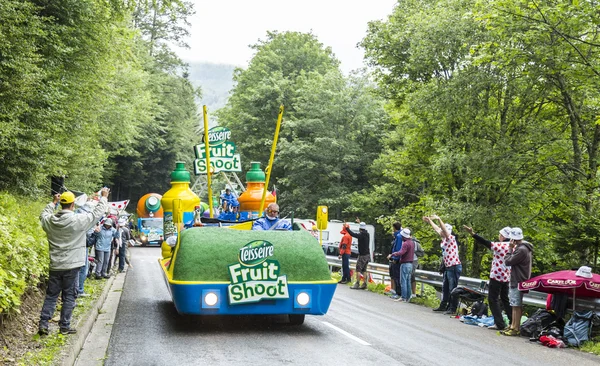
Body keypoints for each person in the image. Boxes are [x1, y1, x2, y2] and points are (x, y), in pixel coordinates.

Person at [38, 188, 109, 336]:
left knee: (51, 295)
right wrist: (103, 197)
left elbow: (43, 215)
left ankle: (44, 325)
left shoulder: (50, 221)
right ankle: (64, 326)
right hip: (73, 266)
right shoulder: (79, 220)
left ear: (62, 204)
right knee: (69, 296)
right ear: (72, 205)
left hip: (55, 265)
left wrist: (53, 203)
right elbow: (97, 213)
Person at [464, 225, 513, 330]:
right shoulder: (513, 246)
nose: (499, 236)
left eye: (500, 234)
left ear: (503, 236)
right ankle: (512, 322)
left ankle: (499, 324)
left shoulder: (500, 245)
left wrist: (473, 234)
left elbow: (485, 242)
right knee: (505, 299)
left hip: (497, 276)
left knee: (493, 299)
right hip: (507, 276)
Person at [423, 215, 462, 313]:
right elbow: (438, 229)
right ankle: (443, 305)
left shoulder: (451, 238)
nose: (441, 232)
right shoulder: (444, 239)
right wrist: (430, 222)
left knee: (452, 288)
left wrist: (439, 219)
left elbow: (443, 230)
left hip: (453, 266)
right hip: (447, 266)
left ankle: (452, 308)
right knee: (445, 288)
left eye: (443, 231)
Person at [502, 227, 533, 336]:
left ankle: (515, 327)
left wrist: (510, 249)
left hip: (518, 279)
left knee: (516, 305)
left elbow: (508, 261)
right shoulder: (523, 248)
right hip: (519, 278)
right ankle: (513, 325)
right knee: (514, 304)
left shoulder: (521, 249)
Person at [389, 228, 415, 302]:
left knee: (403, 281)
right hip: (410, 264)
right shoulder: (412, 243)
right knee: (408, 281)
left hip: (405, 263)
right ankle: (408, 297)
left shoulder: (405, 243)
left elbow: (401, 252)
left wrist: (393, 254)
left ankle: (403, 297)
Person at [346, 222, 370, 290]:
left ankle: (357, 283)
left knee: (358, 269)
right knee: (364, 269)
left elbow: (353, 234)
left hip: (362, 255)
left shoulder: (361, 235)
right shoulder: (367, 234)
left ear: (360, 229)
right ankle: (365, 284)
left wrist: (347, 228)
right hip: (367, 255)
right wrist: (359, 222)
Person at [386, 222, 403, 299]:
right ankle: (396, 292)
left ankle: (398, 293)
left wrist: (395, 258)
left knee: (397, 276)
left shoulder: (399, 237)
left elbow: (398, 249)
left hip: (397, 259)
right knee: (395, 276)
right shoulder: (398, 236)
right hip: (395, 257)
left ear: (394, 228)